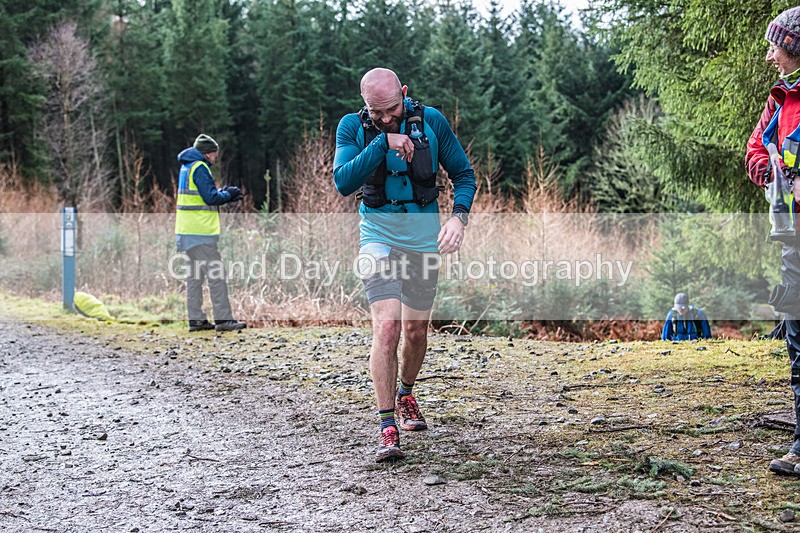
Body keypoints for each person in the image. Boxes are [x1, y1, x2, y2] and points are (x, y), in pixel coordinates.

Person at [333, 68, 477, 462]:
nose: (383, 118)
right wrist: (382, 142)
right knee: (387, 327)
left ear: (405, 95)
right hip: (376, 237)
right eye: (374, 112)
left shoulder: (432, 121)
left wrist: (457, 218)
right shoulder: (352, 127)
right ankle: (386, 426)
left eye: (391, 110)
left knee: (415, 331)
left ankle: (407, 393)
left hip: (421, 240)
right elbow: (343, 182)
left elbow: (464, 175)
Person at [745, 6, 800, 476]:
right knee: (798, 343)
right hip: (792, 238)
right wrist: (775, 175)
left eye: (775, 46)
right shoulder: (780, 99)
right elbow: (754, 149)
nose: (769, 56)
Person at [175, 134, 246, 333]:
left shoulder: (187, 167)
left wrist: (222, 191)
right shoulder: (200, 168)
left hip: (186, 231)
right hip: (200, 232)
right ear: (208, 153)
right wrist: (229, 195)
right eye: (215, 153)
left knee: (195, 277)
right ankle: (224, 320)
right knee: (217, 275)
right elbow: (210, 197)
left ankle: (196, 320)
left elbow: (203, 194)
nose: (216, 157)